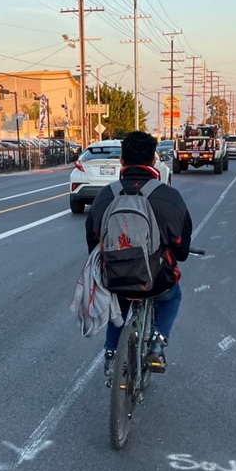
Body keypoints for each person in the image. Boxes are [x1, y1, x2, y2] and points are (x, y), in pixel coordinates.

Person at [85, 131, 192, 377]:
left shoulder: (105, 195)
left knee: (118, 303)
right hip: (156, 280)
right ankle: (157, 340)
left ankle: (111, 352)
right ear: (154, 161)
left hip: (115, 277)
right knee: (172, 296)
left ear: (122, 161)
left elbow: (92, 243)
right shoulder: (169, 196)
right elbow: (182, 249)